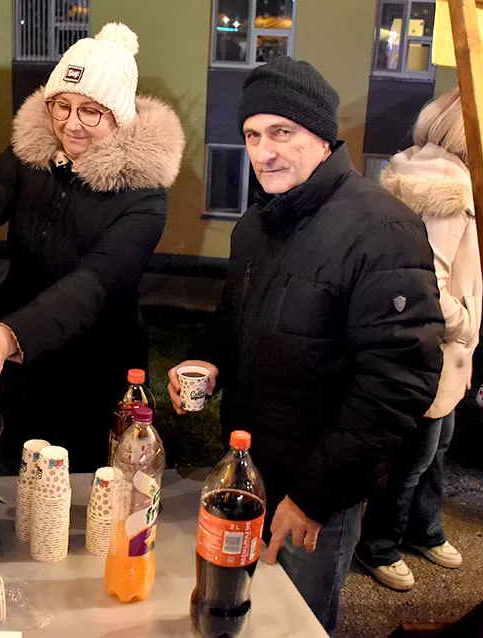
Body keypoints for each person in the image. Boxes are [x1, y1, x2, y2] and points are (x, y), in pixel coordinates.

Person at [166, 57, 443, 635]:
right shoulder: (257, 224)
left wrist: (315, 497)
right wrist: (208, 361)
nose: (263, 152)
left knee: (298, 623)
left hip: (318, 493)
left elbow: (399, 382)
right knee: (238, 608)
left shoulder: (382, 229)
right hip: (248, 472)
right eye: (251, 135)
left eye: (281, 132)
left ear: (321, 137)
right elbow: (233, 319)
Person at [0, 23, 185, 472]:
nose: (71, 124)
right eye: (62, 105)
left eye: (90, 112)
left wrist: (9, 336)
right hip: (18, 354)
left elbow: (94, 284)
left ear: (119, 116)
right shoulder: (32, 155)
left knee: (80, 480)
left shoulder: (144, 195)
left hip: (94, 361)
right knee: (13, 463)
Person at [353, 88, 483, 591]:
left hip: (427, 347)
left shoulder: (417, 167)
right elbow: (429, 282)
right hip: (433, 349)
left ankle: (424, 529)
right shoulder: (449, 185)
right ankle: (378, 545)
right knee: (415, 455)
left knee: (436, 445)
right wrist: (466, 324)